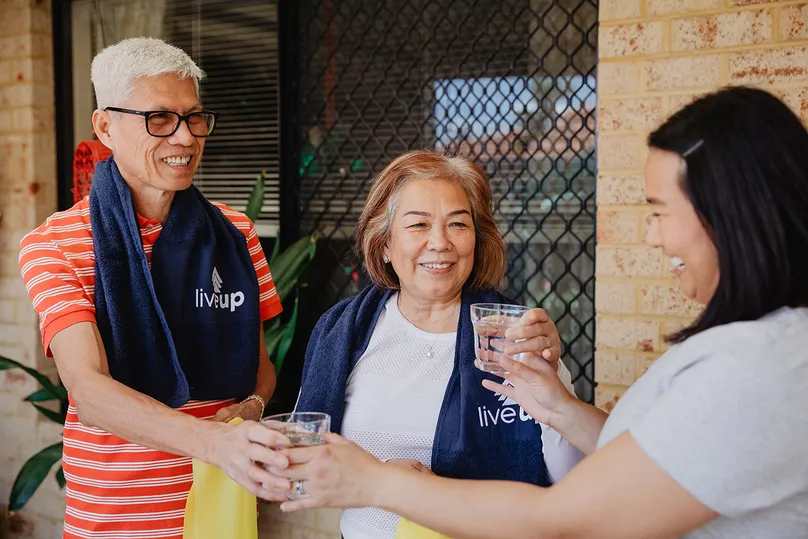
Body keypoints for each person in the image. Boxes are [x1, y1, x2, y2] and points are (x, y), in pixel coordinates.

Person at [269, 87, 808, 539]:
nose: (650, 233)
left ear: (731, 216)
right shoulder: (751, 348)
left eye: (660, 211)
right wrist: (555, 404)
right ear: (382, 244)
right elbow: (642, 453)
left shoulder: (757, 370)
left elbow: (568, 517)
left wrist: (380, 483)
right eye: (417, 225)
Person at [18, 37, 291, 539]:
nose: (185, 139)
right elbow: (89, 391)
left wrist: (252, 407)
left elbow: (260, 369)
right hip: (117, 520)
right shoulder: (56, 242)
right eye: (160, 119)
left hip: (220, 504)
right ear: (105, 126)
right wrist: (213, 442)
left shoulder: (237, 233)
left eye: (194, 118)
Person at [282, 150, 584, 538]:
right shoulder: (343, 332)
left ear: (476, 240)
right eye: (418, 224)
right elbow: (304, 461)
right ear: (385, 244)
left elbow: (572, 480)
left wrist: (551, 384)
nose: (439, 242)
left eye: (458, 224)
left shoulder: (513, 336)